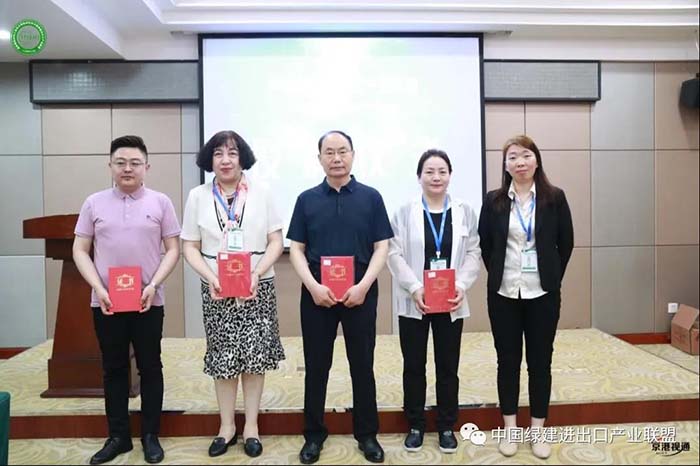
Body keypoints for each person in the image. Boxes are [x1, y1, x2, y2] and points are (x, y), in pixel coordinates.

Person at [73, 135, 181, 465]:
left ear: (147, 167)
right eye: (120, 162)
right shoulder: (93, 203)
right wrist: (99, 288)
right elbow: (80, 249)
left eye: (135, 163)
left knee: (150, 366)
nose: (127, 168)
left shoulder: (161, 202)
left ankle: (150, 435)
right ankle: (118, 436)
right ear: (110, 166)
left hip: (148, 300)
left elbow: (173, 249)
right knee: (114, 367)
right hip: (106, 302)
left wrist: (154, 284)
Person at [287, 130, 394, 464]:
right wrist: (312, 286)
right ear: (319, 158)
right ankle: (313, 435)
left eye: (342, 151)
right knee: (316, 367)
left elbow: (382, 247)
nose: (336, 158)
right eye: (329, 152)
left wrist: (363, 286)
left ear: (353, 155)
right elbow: (296, 249)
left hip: (360, 295)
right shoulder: (306, 199)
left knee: (362, 366)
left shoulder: (371, 197)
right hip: (317, 296)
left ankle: (367, 435)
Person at [181, 130, 285, 459]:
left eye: (232, 153)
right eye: (218, 154)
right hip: (216, 288)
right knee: (223, 359)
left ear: (242, 158)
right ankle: (226, 426)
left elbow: (276, 241)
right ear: (209, 160)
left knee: (254, 358)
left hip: (257, 286)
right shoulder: (198, 196)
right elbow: (190, 246)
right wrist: (210, 276)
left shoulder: (262, 192)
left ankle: (251, 426)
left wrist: (256, 273)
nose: (225, 160)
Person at [478, 135, 573, 459]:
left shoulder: (554, 198)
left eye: (526, 155)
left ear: (536, 159)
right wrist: (501, 273)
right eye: (513, 157)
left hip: (542, 293)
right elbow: (486, 244)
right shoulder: (493, 201)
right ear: (505, 165)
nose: (520, 162)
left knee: (540, 362)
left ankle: (537, 431)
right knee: (507, 362)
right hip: (503, 293)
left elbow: (566, 243)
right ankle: (510, 429)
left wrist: (550, 277)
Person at [387, 149, 481, 454]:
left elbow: (474, 252)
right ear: (419, 177)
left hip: (451, 300)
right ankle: (415, 424)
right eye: (429, 171)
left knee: (448, 366)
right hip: (415, 301)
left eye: (442, 171)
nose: (436, 177)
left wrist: (462, 285)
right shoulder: (404, 212)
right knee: (414, 365)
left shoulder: (465, 211)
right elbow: (393, 253)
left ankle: (446, 425)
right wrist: (415, 288)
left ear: (450, 175)